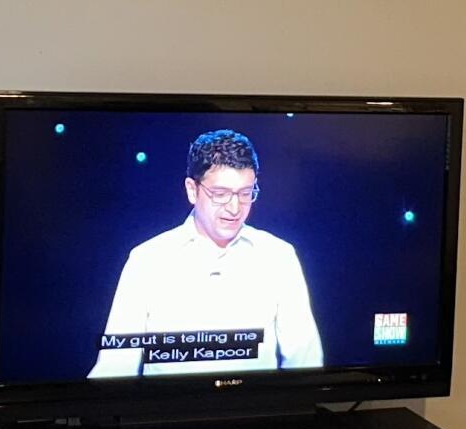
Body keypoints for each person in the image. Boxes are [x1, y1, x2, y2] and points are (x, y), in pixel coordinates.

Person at [91, 128, 323, 376]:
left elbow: (305, 360)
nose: (234, 208)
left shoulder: (278, 256)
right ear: (193, 190)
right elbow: (116, 365)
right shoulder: (148, 260)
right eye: (220, 194)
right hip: (168, 411)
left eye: (246, 194)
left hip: (258, 409)